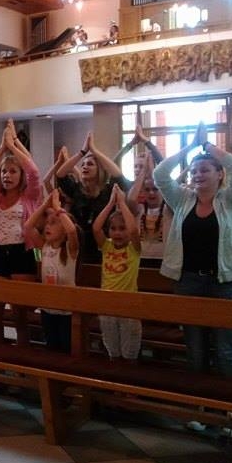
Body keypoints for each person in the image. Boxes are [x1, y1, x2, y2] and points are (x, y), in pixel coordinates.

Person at [153, 123, 232, 380]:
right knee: (195, 350)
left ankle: (231, 404)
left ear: (219, 174)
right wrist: (190, 146)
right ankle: (198, 402)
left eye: (205, 170)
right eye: (194, 171)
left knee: (226, 350)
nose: (198, 175)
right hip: (189, 281)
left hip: (226, 282)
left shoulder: (231, 200)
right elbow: (160, 174)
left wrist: (207, 145)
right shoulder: (182, 199)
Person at [0, 119, 42, 341]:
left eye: (13, 171)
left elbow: (34, 171)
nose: (7, 175)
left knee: (19, 315)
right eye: (4, 171)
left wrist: (13, 145)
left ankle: (23, 356)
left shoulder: (29, 195)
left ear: (20, 176)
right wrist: (2, 148)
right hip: (0, 253)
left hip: (22, 252)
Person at [56, 132, 131, 264]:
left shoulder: (108, 190)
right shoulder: (77, 189)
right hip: (78, 246)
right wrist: (82, 152)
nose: (85, 166)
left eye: (90, 164)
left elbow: (118, 175)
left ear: (99, 170)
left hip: (103, 246)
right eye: (83, 164)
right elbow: (60, 175)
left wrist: (95, 151)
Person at [24, 190, 80, 353]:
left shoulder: (70, 249)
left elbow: (72, 231)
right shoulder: (44, 247)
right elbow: (28, 226)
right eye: (47, 223)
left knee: (66, 347)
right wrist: (45, 205)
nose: (47, 226)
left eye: (54, 223)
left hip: (66, 309)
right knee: (51, 347)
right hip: (48, 307)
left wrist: (57, 208)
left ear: (63, 228)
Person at [92, 185, 142, 360]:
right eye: (113, 228)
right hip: (107, 303)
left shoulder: (134, 249)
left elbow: (133, 230)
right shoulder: (106, 246)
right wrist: (111, 203)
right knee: (112, 349)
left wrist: (122, 203)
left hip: (128, 304)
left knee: (129, 351)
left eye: (122, 228)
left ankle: (130, 374)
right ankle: (114, 373)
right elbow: (96, 228)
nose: (117, 232)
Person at [128, 155, 171, 267]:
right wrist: (144, 170)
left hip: (163, 260)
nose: (151, 193)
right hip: (141, 258)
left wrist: (152, 170)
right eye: (147, 190)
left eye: (155, 189)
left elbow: (166, 187)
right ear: (143, 191)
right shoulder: (139, 209)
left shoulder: (169, 209)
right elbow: (131, 199)